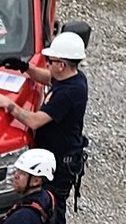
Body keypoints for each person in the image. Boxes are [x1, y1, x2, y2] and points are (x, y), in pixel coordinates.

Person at [5, 31, 88, 205]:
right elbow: (48, 78)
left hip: (60, 165)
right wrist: (24, 67)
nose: (47, 65)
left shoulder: (69, 93)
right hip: (56, 156)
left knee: (52, 209)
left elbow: (35, 121)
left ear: (62, 65)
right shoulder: (72, 78)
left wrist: (8, 104)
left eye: (50, 62)